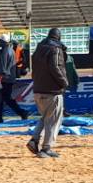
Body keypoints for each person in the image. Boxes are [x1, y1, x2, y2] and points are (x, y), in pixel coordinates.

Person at [26, 27, 68, 158]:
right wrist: (64, 82)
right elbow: (55, 67)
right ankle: (46, 148)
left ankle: (34, 140)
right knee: (53, 120)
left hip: (38, 89)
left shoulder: (39, 49)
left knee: (45, 118)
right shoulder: (55, 49)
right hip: (52, 90)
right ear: (58, 37)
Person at [0, 36, 27, 123]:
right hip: (9, 78)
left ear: (4, 42)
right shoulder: (11, 50)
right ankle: (21, 112)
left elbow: (3, 67)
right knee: (7, 99)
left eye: (0, 41)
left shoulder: (5, 51)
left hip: (4, 79)